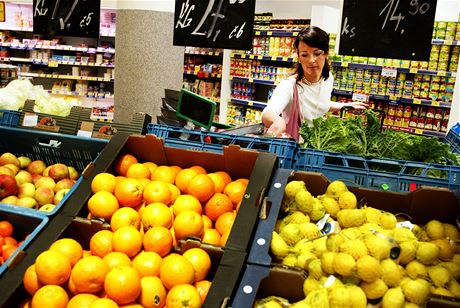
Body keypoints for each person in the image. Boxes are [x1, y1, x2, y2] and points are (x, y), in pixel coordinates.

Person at [262, 26, 368, 140]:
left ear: (326, 53)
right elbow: (268, 112)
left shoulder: (328, 79)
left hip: (317, 144)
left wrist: (344, 106)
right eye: (304, 55)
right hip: (295, 149)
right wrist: (277, 120)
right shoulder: (289, 86)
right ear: (298, 56)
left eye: (317, 53)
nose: (311, 60)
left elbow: (319, 104)